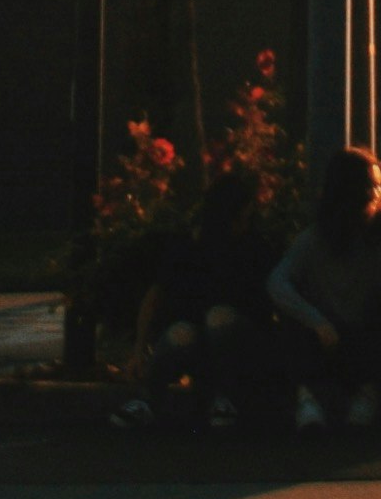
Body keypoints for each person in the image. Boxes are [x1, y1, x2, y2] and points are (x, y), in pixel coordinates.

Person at [267, 146, 381, 433]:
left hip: (369, 335)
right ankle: (307, 400)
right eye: (368, 186)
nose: (376, 194)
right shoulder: (316, 237)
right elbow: (277, 282)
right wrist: (317, 321)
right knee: (291, 321)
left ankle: (367, 395)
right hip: (327, 337)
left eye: (378, 186)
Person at [116, 164, 274, 431]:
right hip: (197, 342)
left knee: (219, 318)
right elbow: (155, 296)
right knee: (181, 333)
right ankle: (147, 399)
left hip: (237, 347)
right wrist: (138, 351)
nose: (245, 224)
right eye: (242, 217)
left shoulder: (253, 248)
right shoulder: (188, 247)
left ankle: (226, 397)